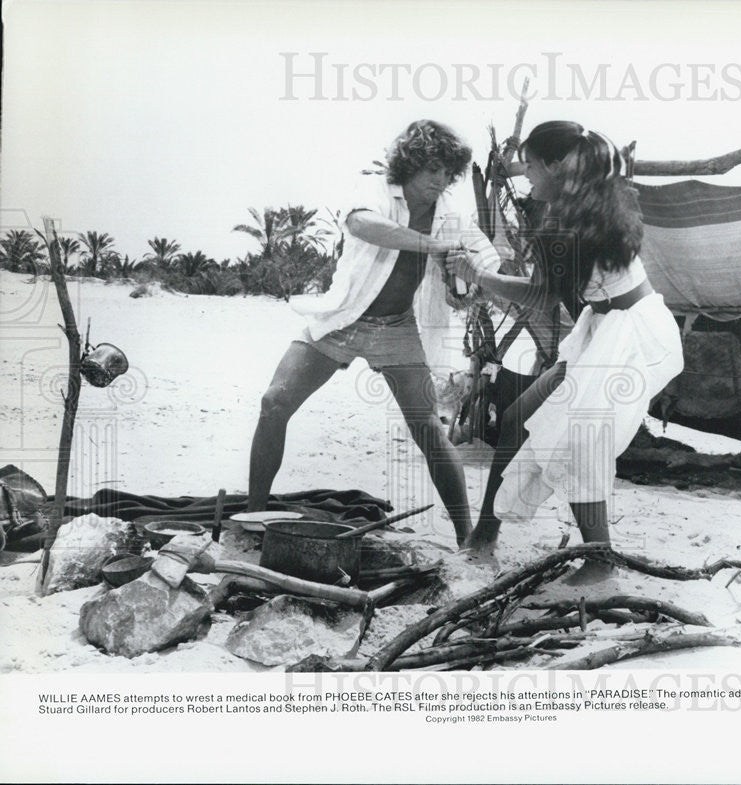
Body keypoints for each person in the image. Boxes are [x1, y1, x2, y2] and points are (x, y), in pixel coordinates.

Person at [447, 120, 684, 583]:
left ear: (555, 165)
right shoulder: (591, 201)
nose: (527, 176)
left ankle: (600, 563)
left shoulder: (572, 221)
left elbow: (540, 295)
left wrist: (478, 275)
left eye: (532, 165)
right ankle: (484, 538)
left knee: (576, 439)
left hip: (629, 335)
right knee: (518, 418)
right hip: (606, 325)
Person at [248, 120, 501, 545]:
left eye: (446, 172)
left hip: (398, 326)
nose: (439, 181)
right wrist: (434, 247)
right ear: (409, 166)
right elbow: (362, 224)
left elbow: (488, 260)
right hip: (343, 318)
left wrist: (472, 279)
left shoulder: (451, 214)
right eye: (431, 170)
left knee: (428, 430)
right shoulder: (377, 187)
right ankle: (253, 516)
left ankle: (466, 535)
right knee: (274, 402)